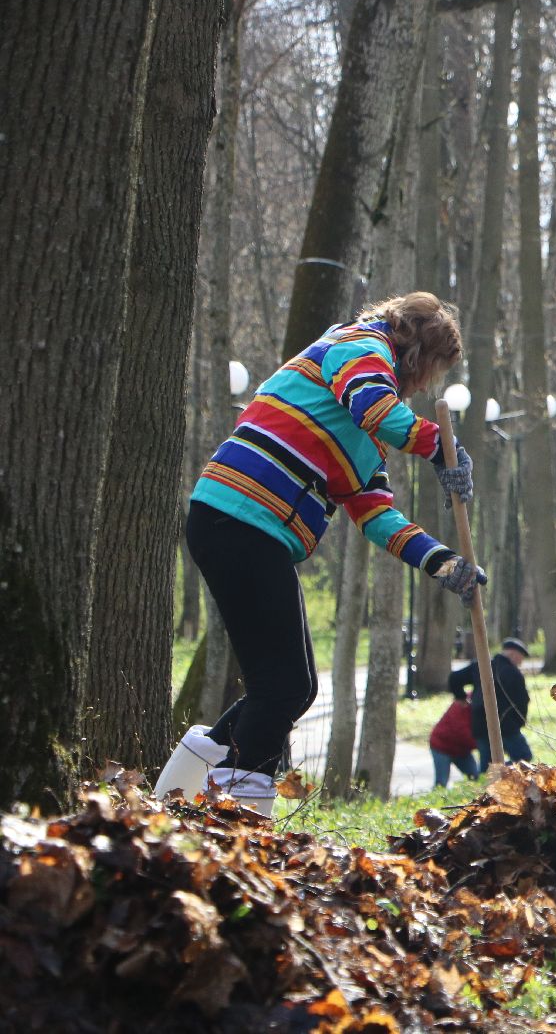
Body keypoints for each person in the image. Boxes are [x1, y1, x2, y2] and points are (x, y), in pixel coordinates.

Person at [154, 293, 485, 815]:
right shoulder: (357, 346)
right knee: (281, 686)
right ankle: (237, 825)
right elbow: (374, 405)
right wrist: (439, 444)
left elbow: (376, 515)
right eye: (428, 374)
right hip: (238, 518)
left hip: (251, 532)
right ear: (417, 352)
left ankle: (179, 796)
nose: (423, 388)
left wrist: (442, 563)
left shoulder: (364, 437)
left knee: (295, 687)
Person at [451, 637, 534, 771]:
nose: (521, 661)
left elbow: (455, 678)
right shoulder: (513, 673)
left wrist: (460, 697)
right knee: (523, 757)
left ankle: (491, 783)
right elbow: (522, 701)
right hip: (505, 725)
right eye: (521, 657)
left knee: (487, 766)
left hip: (480, 723)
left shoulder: (481, 666)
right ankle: (506, 774)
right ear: (513, 654)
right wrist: (519, 722)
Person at [428, 697, 480, 787]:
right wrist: (481, 744)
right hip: (441, 746)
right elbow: (461, 731)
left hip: (462, 749)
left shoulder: (480, 706)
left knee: (475, 777)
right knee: (441, 783)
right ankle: (439, 799)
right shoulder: (462, 703)